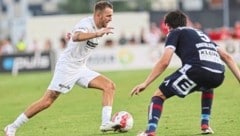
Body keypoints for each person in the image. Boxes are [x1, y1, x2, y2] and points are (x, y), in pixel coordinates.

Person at [4, 1, 120, 136]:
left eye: (111, 16)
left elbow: (74, 36)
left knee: (109, 86)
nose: (111, 19)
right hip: (67, 67)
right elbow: (77, 36)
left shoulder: (98, 27)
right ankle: (12, 127)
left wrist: (74, 36)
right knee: (47, 101)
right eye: (108, 16)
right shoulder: (87, 24)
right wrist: (96, 34)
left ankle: (105, 123)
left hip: (81, 68)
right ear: (98, 15)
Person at [131, 10, 240, 136]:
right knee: (207, 85)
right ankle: (205, 125)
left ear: (167, 26)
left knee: (158, 96)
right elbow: (227, 57)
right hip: (219, 73)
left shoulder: (174, 32)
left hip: (197, 69)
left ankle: (150, 131)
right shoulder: (200, 33)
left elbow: (164, 62)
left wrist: (146, 83)